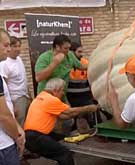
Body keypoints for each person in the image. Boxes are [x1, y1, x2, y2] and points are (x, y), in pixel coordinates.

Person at [24, 78, 97, 165]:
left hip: (30, 136)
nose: (63, 93)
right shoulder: (51, 100)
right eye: (62, 90)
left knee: (64, 140)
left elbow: (63, 116)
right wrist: (89, 108)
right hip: (36, 137)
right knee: (64, 154)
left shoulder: (41, 97)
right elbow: (70, 111)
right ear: (56, 90)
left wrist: (79, 113)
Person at [35, 34, 88, 102]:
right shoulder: (44, 58)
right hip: (46, 97)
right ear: (57, 47)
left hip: (61, 95)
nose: (68, 50)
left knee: (68, 110)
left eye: (69, 48)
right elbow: (38, 78)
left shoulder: (69, 55)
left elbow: (81, 67)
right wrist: (54, 63)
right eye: (65, 48)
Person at [0, 29, 25, 165]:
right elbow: (3, 116)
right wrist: (17, 137)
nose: (9, 49)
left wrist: (18, 129)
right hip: (3, 145)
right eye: (6, 45)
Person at [0, 36, 31, 126]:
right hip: (16, 99)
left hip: (25, 96)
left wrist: (29, 95)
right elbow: (4, 85)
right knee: (19, 124)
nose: (18, 49)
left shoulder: (19, 59)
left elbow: (24, 79)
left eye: (19, 46)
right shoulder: (4, 64)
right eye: (14, 46)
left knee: (27, 123)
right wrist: (12, 105)